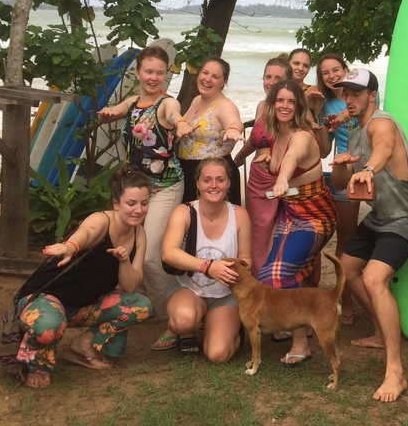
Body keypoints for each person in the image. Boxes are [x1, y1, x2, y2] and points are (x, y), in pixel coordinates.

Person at [330, 67, 408, 403]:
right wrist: (344, 163)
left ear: (372, 95)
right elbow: (342, 183)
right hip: (381, 218)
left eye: (357, 93)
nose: (350, 98)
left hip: (407, 219)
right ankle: (379, 330)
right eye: (347, 92)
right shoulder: (355, 132)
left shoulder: (381, 123)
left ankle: (396, 371)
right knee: (347, 270)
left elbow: (384, 147)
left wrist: (369, 168)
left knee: (374, 279)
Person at [10, 166, 154, 388]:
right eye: (131, 203)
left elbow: (130, 285)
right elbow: (86, 233)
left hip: (83, 306)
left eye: (144, 203)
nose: (139, 210)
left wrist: (124, 261)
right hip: (44, 299)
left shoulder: (139, 234)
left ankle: (83, 345)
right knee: (49, 323)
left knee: (140, 305)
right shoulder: (101, 220)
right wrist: (71, 247)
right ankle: (37, 364)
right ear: (116, 203)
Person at [98, 46, 189, 325]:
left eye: (160, 73)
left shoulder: (166, 104)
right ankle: (136, 308)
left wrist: (181, 123)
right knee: (127, 250)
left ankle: (170, 316)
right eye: (148, 71)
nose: (154, 77)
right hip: (136, 191)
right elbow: (118, 109)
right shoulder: (134, 101)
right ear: (138, 72)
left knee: (150, 257)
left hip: (164, 188)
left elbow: (174, 115)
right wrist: (108, 112)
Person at [257, 79, 337, 366]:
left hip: (315, 214)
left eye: (291, 101)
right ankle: (303, 334)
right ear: (272, 103)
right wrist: (267, 160)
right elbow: (280, 156)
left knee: (274, 275)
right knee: (296, 270)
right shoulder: (277, 135)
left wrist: (280, 177)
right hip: (289, 212)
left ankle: (301, 336)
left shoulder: (301, 136)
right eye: (280, 101)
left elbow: (293, 157)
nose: (285, 106)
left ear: (299, 106)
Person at [162, 156, 252, 360]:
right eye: (207, 180)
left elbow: (247, 258)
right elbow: (168, 252)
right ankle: (187, 331)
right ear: (198, 184)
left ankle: (229, 329)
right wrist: (208, 267)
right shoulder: (184, 211)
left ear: (229, 183)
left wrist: (234, 269)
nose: (214, 185)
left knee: (217, 354)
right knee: (183, 320)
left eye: (220, 180)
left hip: (225, 293)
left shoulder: (240, 215)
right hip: (189, 288)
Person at [233, 56, 293, 273]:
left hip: (283, 180)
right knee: (258, 234)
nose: (271, 82)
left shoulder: (291, 109)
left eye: (278, 78)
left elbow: (299, 146)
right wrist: (237, 159)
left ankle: (281, 287)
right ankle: (260, 285)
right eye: (268, 76)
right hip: (257, 181)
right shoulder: (261, 106)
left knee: (283, 234)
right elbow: (256, 139)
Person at [316, 52, 361, 325]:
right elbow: (323, 150)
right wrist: (323, 122)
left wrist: (341, 117)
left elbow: (360, 111)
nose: (332, 75)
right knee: (344, 236)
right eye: (325, 73)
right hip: (343, 172)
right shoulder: (326, 105)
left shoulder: (363, 90)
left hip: (372, 168)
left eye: (336, 69)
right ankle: (346, 299)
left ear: (347, 69)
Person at [177, 57, 245, 206]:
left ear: (223, 82)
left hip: (214, 179)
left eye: (215, 77)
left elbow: (234, 121)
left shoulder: (225, 105)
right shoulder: (196, 100)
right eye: (205, 73)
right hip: (190, 174)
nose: (207, 79)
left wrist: (233, 129)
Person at [289, 47, 325, 121]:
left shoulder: (312, 90)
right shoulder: (279, 88)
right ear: (288, 63)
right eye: (296, 63)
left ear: (309, 69)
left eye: (305, 66)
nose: (301, 68)